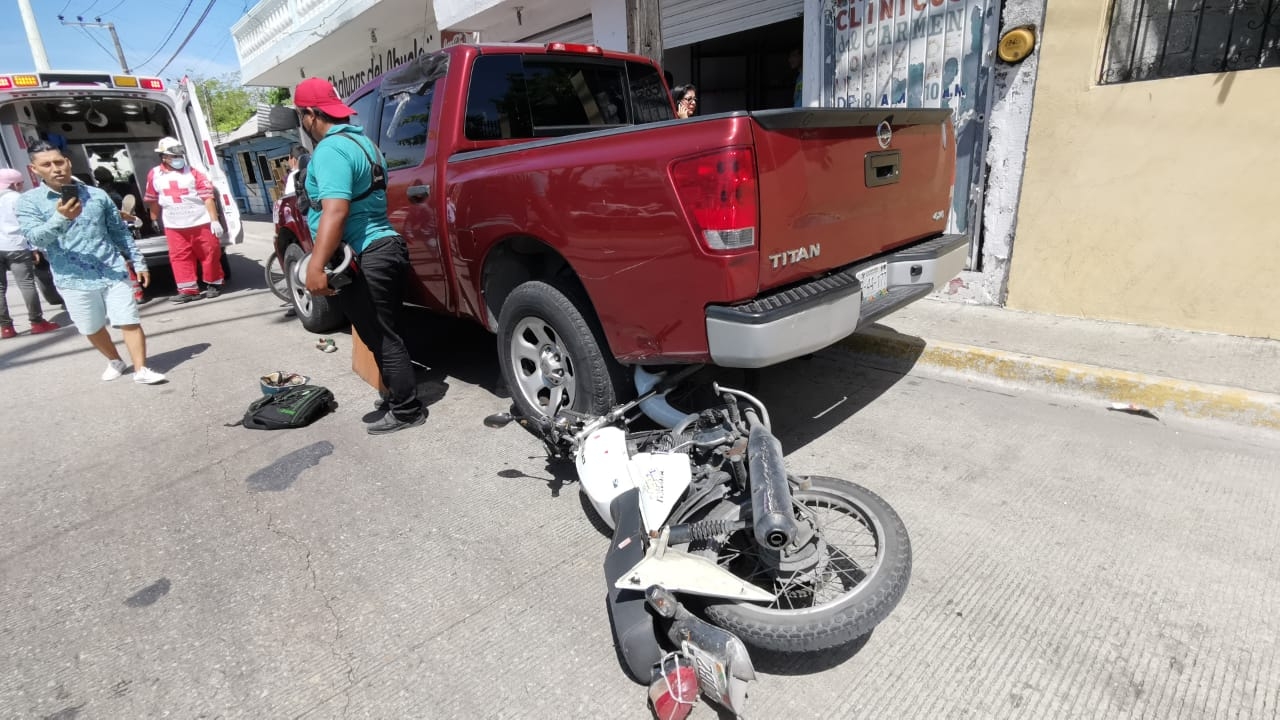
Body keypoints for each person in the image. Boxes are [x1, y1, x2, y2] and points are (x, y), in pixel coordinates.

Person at [293, 76, 425, 435]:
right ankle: (398, 396)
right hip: (386, 248)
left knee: (381, 336)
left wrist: (316, 267)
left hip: (366, 253)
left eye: (301, 117)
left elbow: (335, 211)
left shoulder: (330, 151)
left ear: (310, 115)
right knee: (386, 332)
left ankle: (407, 409)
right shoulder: (364, 143)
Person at [15, 142, 165, 384]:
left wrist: (138, 262)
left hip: (112, 269)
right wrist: (61, 218)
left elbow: (118, 232)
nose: (55, 169)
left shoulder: (96, 195)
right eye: (47, 164)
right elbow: (35, 238)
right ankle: (115, 360)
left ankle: (141, 370)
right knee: (91, 327)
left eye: (59, 162)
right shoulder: (29, 202)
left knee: (128, 319)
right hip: (72, 278)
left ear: (68, 162)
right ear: (34, 169)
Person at [143, 137, 225, 303]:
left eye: (180, 155)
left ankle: (213, 284)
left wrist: (214, 220)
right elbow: (153, 200)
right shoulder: (154, 175)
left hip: (200, 222)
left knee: (210, 253)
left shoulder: (194, 173)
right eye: (174, 156)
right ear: (164, 157)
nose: (178, 159)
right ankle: (188, 290)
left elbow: (208, 198)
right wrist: (153, 220)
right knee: (180, 257)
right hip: (174, 226)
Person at [0, 168, 60, 338]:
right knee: (26, 284)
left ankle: (5, 328)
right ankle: (37, 322)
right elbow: (28, 224)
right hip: (17, 246)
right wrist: (35, 248)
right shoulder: (18, 198)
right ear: (15, 183)